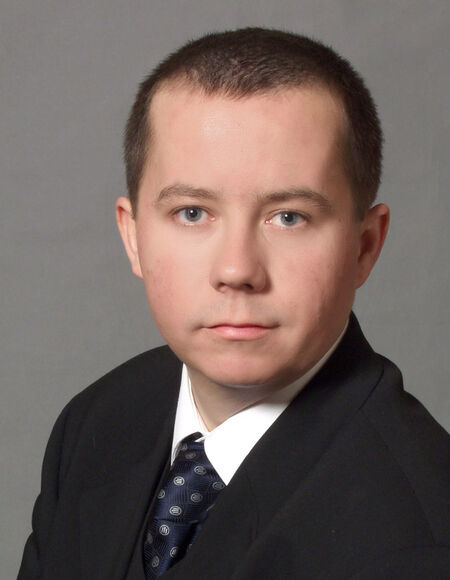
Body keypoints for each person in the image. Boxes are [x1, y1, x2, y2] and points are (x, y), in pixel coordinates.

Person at [18, 28, 449, 579]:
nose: (237, 270)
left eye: (289, 217)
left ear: (364, 247)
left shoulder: (419, 541)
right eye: (192, 213)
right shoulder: (97, 422)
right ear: (133, 237)